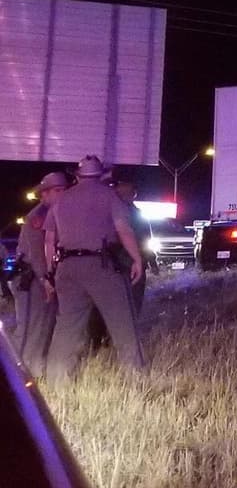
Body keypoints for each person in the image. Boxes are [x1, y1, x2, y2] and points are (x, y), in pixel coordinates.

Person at [43, 155, 146, 380]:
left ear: (77, 175)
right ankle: (134, 376)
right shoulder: (109, 196)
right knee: (122, 323)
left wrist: (50, 273)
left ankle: (56, 378)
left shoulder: (61, 200)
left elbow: (49, 240)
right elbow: (124, 230)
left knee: (67, 326)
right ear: (101, 175)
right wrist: (136, 259)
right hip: (100, 265)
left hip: (67, 268)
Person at [13, 171, 70, 376]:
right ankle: (17, 375)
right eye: (57, 190)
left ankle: (34, 372)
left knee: (44, 328)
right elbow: (37, 254)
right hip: (32, 279)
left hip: (46, 278)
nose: (62, 194)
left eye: (64, 190)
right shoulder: (38, 216)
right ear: (44, 194)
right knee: (29, 329)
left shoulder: (56, 214)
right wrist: (46, 280)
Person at [108, 167, 157, 316]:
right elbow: (144, 241)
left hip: (121, 263)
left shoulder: (134, 213)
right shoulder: (131, 213)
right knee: (130, 305)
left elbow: (145, 240)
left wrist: (151, 260)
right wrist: (150, 261)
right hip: (123, 263)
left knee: (128, 305)